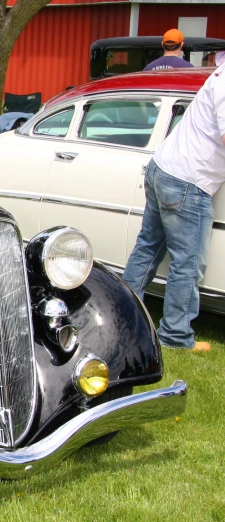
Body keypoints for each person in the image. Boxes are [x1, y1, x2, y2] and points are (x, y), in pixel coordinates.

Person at [122, 62, 225, 352]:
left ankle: (127, 316)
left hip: (164, 167)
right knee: (188, 262)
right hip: (189, 179)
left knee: (148, 248)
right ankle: (176, 335)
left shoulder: (219, 73)